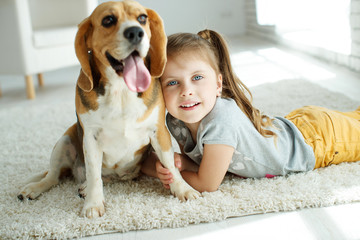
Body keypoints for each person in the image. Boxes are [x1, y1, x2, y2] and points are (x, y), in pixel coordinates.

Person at [140, 29, 360, 193]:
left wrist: (172, 173)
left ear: (218, 84)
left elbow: (207, 183)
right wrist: (176, 164)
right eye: (172, 83)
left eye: (197, 78)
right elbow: (205, 162)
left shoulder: (221, 122)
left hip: (317, 143)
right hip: (298, 125)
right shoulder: (175, 121)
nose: (186, 91)